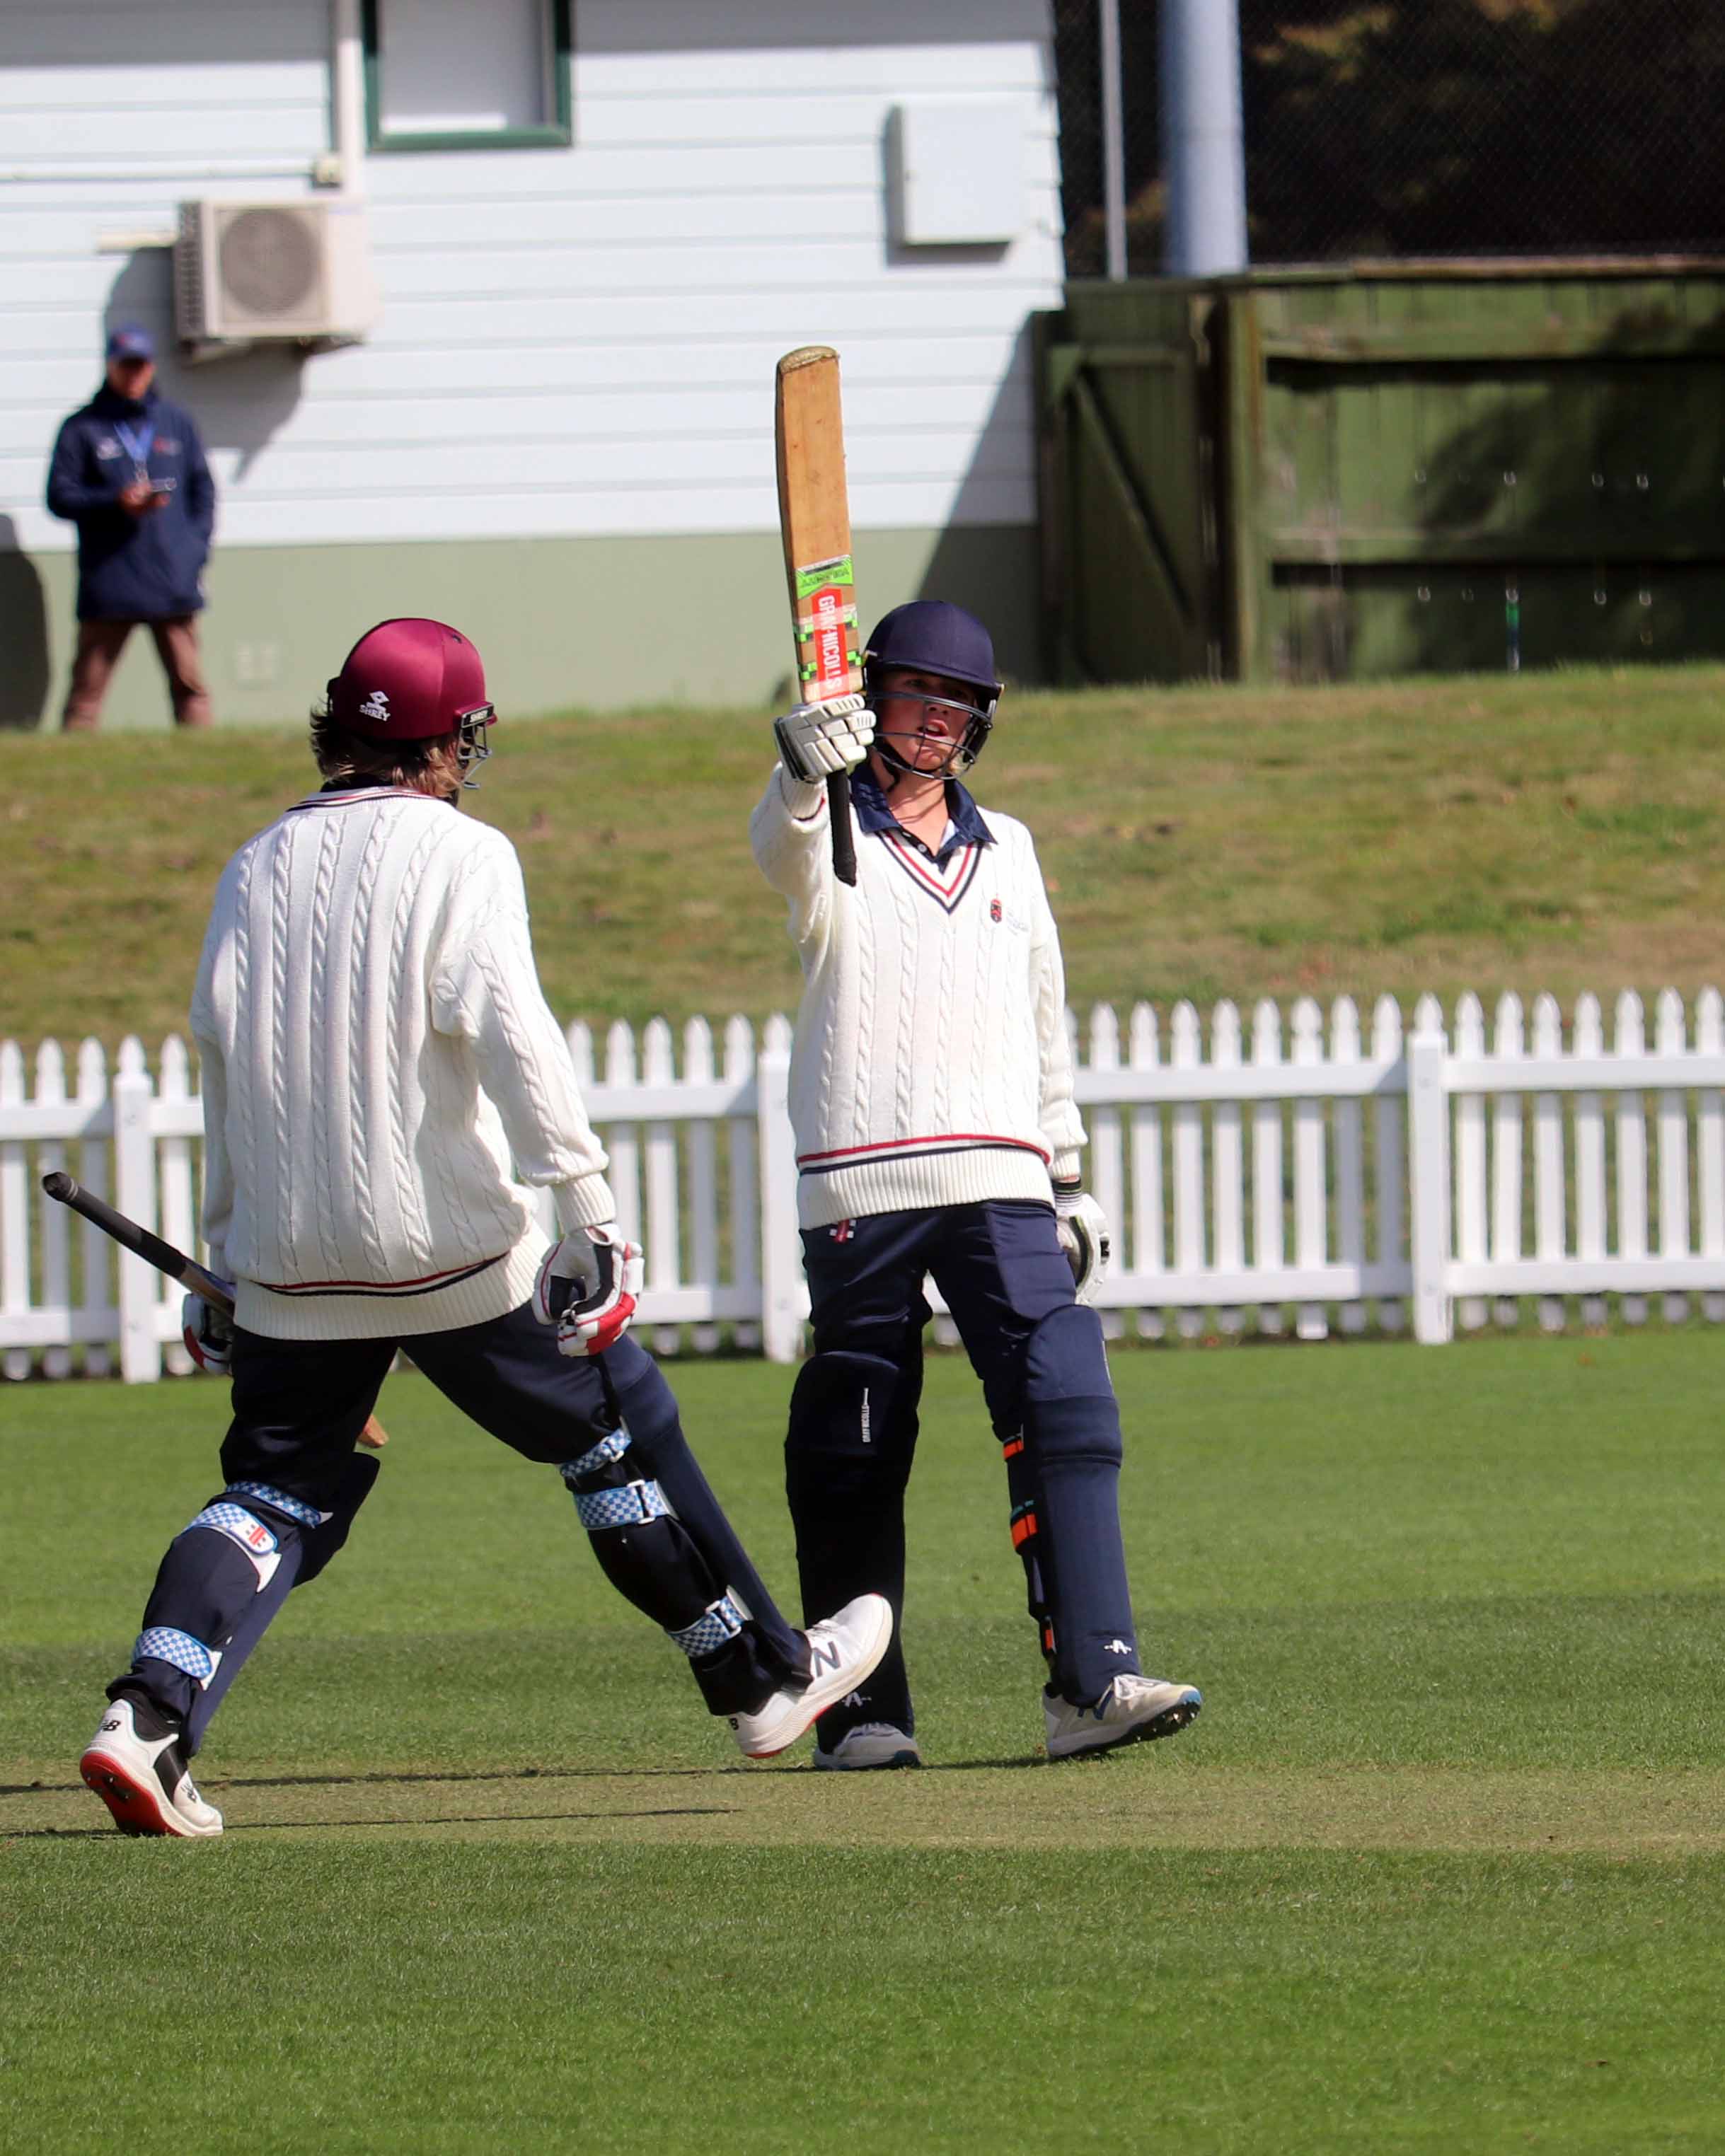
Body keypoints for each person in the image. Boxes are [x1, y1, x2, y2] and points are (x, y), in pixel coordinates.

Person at [79, 617, 889, 1838]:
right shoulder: (464, 854)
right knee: (618, 1423)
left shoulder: (252, 866)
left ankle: (145, 1720)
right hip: (451, 1248)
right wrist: (589, 1206)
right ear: (445, 743)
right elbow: (516, 1038)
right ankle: (762, 1677)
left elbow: (222, 1059)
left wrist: (226, 1249)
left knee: (275, 1493)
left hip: (294, 1262)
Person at [749, 599, 1201, 1768]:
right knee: (853, 1423)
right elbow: (781, 858)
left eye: (957, 709)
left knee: (1064, 1387)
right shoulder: (830, 833)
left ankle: (1090, 1681)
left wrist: (1067, 1171)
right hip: (861, 1177)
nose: (936, 725)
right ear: (874, 702)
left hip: (1000, 1173)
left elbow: (1040, 1009)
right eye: (914, 701)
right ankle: (860, 1713)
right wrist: (800, 770)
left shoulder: (1009, 846)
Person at [45, 323, 217, 731]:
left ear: (152, 367)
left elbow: (203, 491)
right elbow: (59, 497)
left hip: (171, 576)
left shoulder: (175, 423)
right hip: (111, 579)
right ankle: (71, 762)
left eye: (141, 366)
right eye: (126, 366)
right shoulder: (82, 428)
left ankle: (202, 756)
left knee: (189, 684)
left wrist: (195, 551)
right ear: (110, 367)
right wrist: (113, 502)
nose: (134, 374)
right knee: (87, 688)